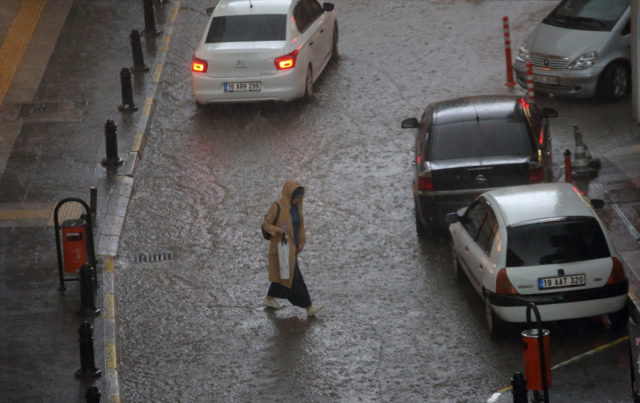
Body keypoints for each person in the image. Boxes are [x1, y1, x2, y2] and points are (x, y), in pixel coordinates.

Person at [262, 181, 323, 317]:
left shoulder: (297, 207)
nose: (298, 200)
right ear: (289, 195)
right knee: (295, 277)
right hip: (281, 248)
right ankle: (308, 307)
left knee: (284, 275)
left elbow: (299, 225)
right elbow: (266, 224)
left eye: (300, 197)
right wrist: (277, 230)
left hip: (292, 248)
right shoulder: (277, 206)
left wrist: (301, 241)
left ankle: (269, 298)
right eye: (296, 197)